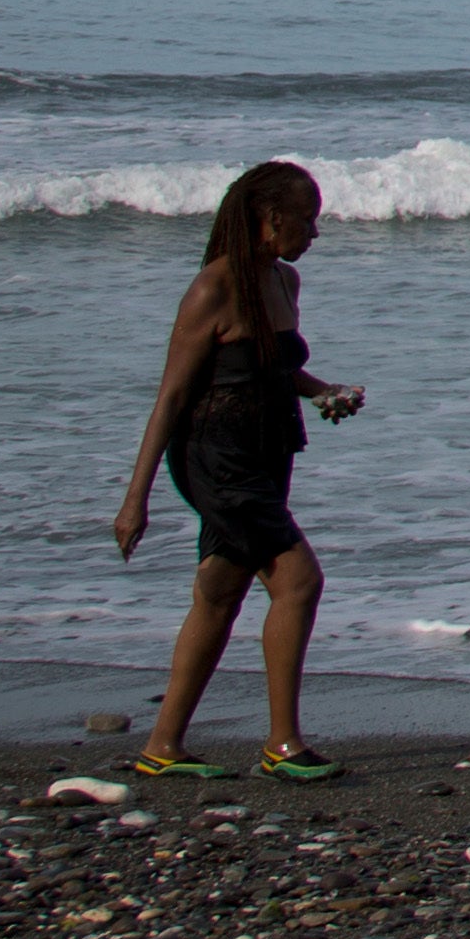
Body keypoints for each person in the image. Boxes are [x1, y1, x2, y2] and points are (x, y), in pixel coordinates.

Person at [111, 159, 366, 781]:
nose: (314, 232)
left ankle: (162, 746)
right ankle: (283, 745)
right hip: (214, 456)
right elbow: (171, 396)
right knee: (299, 583)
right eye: (307, 219)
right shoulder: (213, 288)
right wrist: (134, 499)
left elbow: (271, 368)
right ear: (270, 218)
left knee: (220, 593)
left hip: (268, 447)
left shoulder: (283, 283)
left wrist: (321, 391)